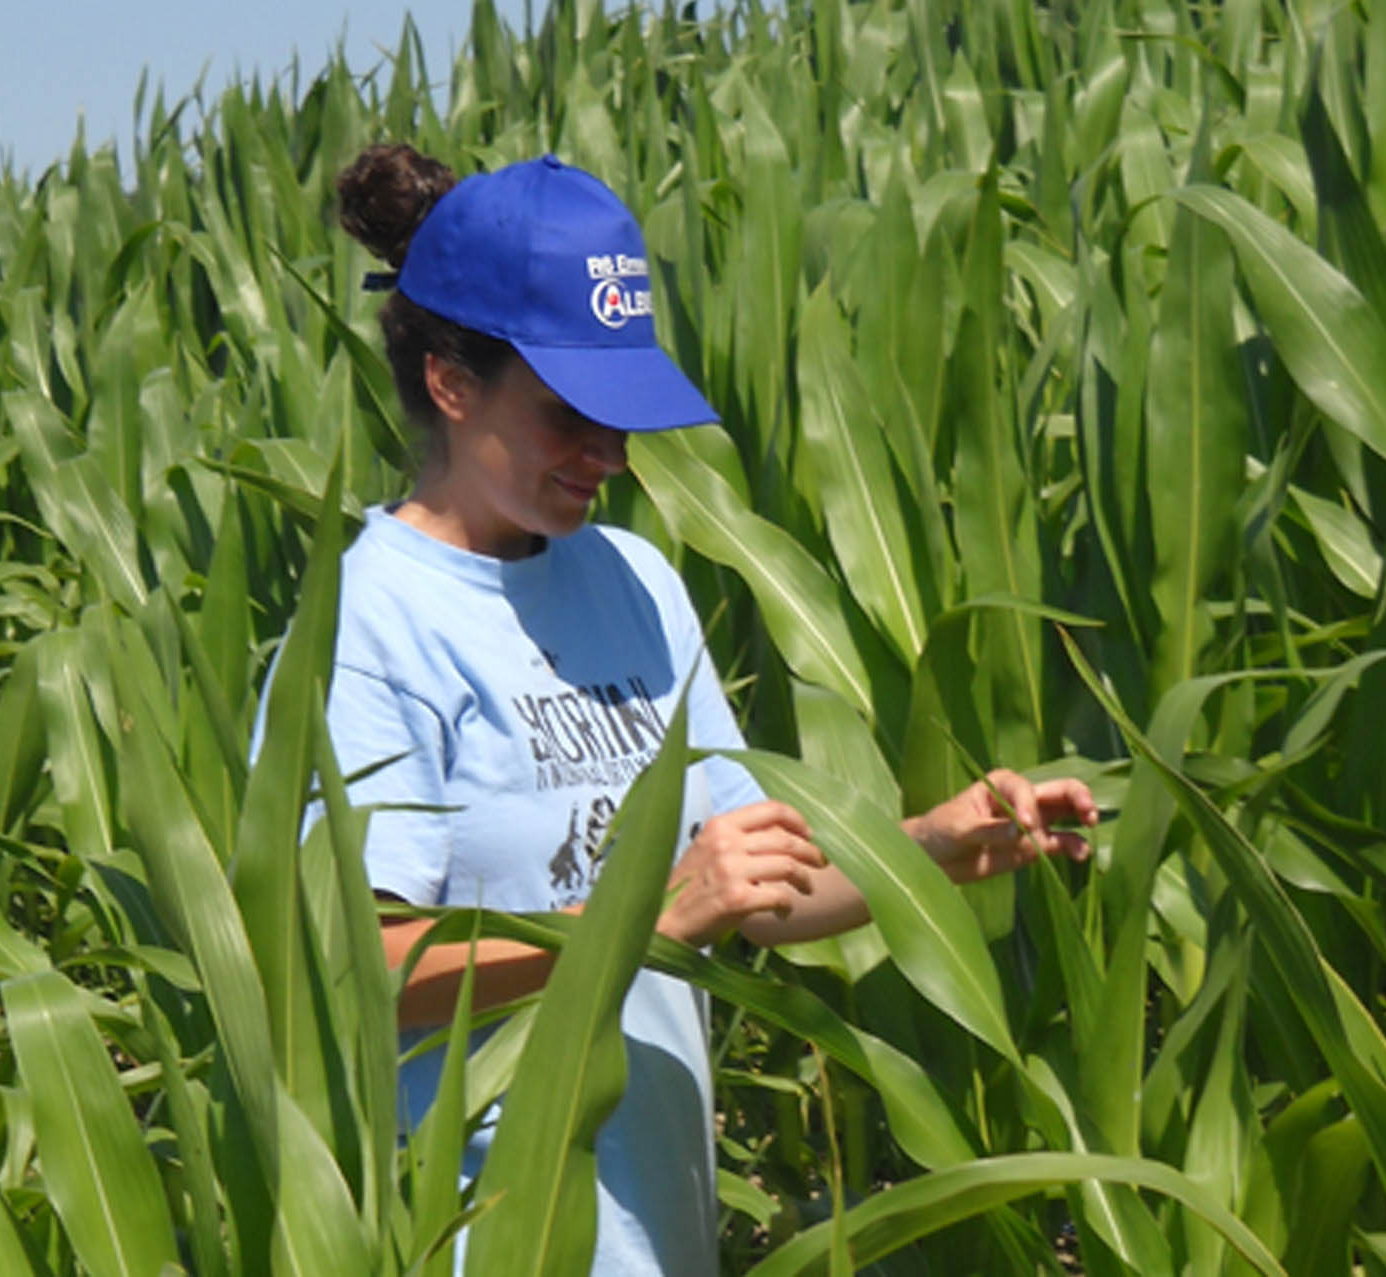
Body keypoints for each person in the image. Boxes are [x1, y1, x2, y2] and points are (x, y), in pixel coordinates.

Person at [285, 142, 1097, 1275]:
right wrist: (647, 919)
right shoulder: (370, 621)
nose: (608, 453)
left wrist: (932, 845)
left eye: (621, 415)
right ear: (452, 381)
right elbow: (355, 967)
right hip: (485, 1243)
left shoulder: (636, 582)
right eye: (571, 412)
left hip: (659, 1234)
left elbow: (754, 892)